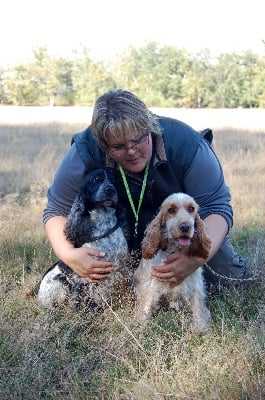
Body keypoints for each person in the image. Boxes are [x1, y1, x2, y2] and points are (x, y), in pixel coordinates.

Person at [43, 88, 249, 291]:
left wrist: (195, 258)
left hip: (178, 230)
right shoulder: (84, 149)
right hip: (119, 230)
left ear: (151, 128)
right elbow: (57, 210)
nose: (131, 151)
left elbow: (217, 208)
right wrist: (68, 254)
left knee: (228, 279)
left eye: (139, 140)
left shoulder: (188, 145)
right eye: (119, 146)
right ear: (104, 144)